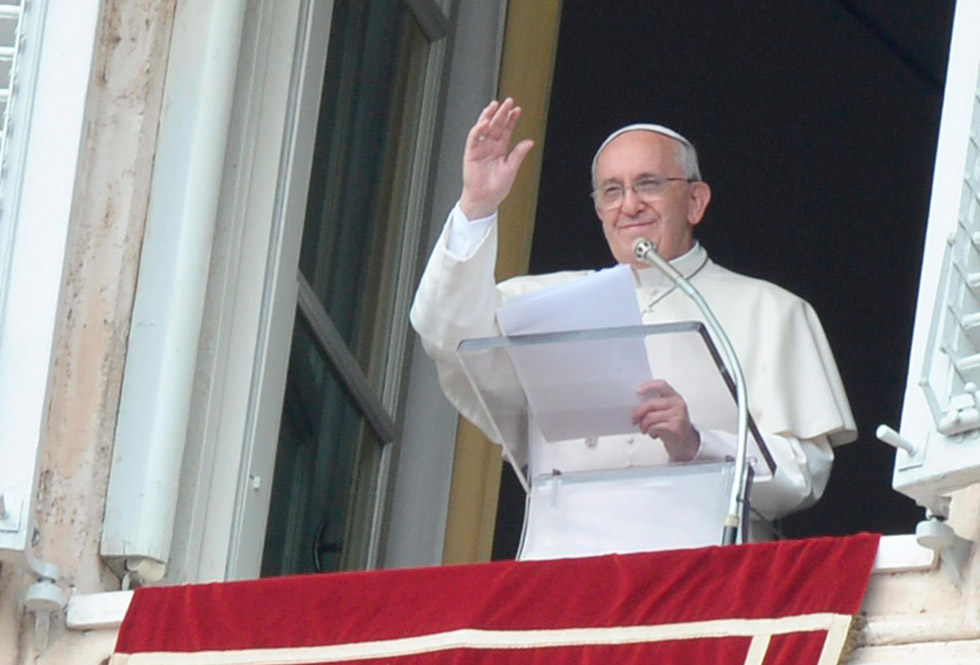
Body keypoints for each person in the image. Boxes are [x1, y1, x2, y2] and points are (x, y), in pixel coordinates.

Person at [410, 98, 856, 555]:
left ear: (696, 201)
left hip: (697, 573)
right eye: (611, 191)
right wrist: (477, 206)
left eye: (649, 184)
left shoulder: (772, 311)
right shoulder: (538, 302)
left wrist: (697, 443)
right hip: (561, 570)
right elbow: (444, 328)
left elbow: (803, 476)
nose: (629, 204)